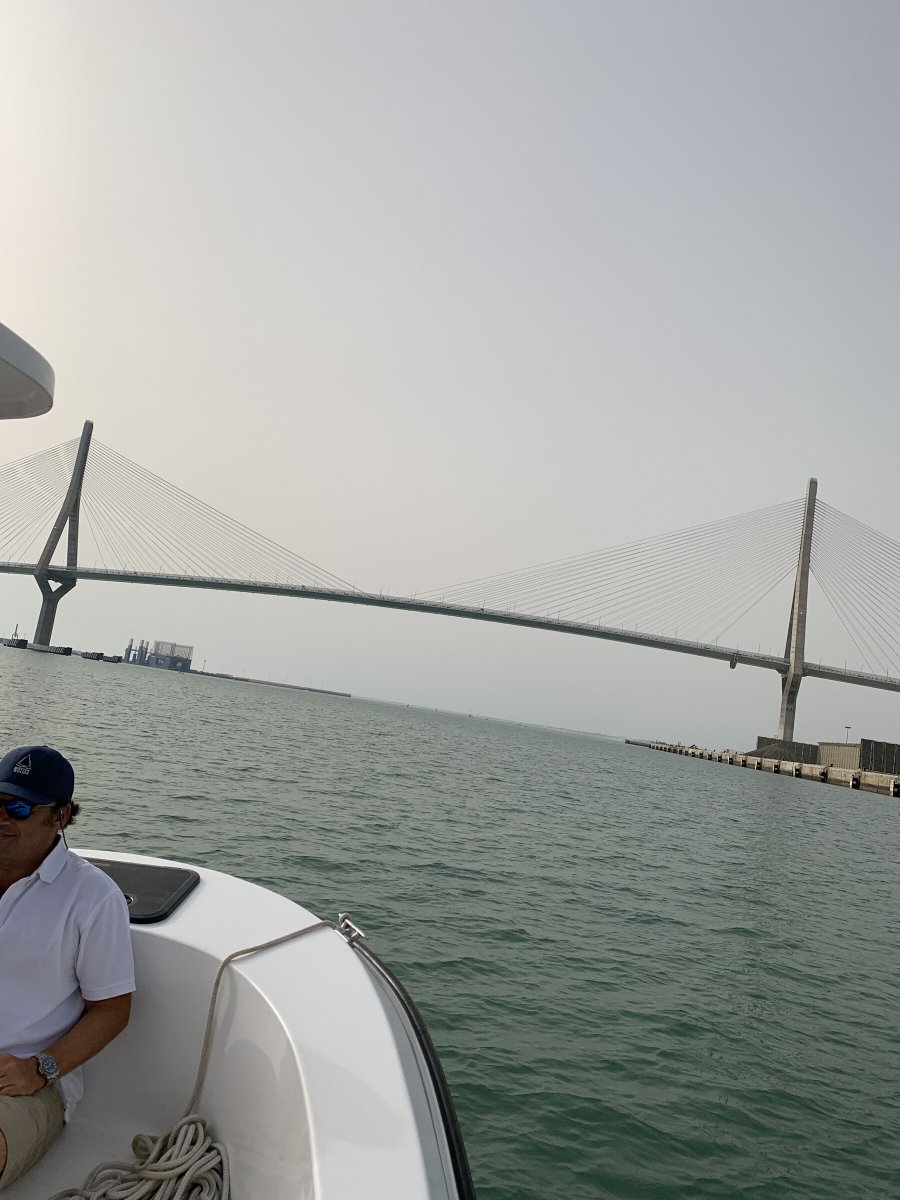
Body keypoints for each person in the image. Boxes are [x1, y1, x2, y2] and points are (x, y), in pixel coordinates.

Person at [0, 745, 135, 1191]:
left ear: (60, 816)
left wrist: (42, 1069)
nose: (2, 818)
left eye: (18, 807)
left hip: (22, 1084)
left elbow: (112, 1009)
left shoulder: (93, 898)